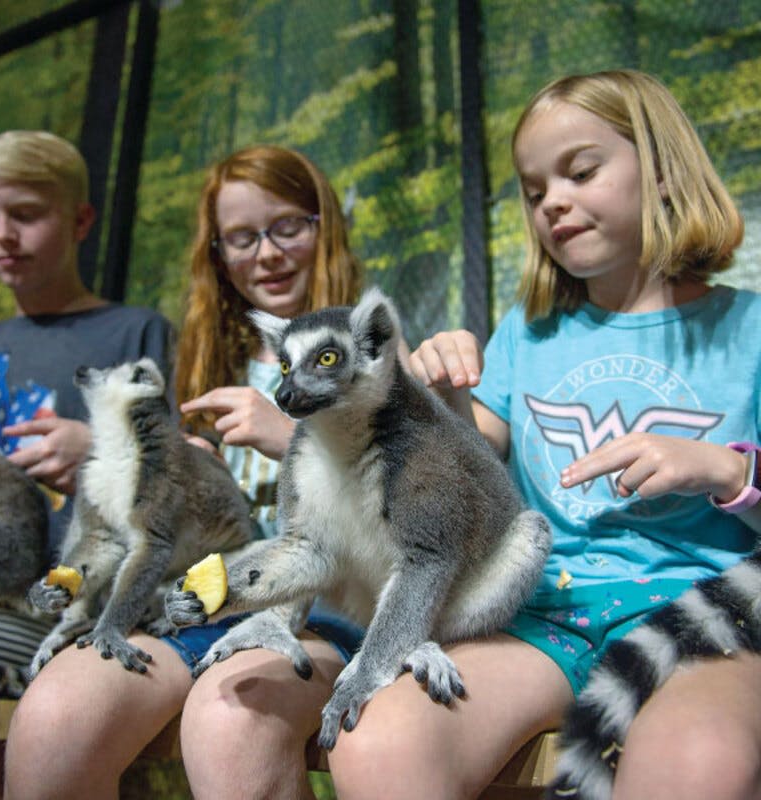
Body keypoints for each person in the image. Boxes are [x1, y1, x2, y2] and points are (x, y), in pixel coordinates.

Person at [325, 70, 761, 800]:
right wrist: (439, 396)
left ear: (661, 170)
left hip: (699, 615)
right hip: (547, 612)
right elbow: (474, 464)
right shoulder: (528, 334)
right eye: (533, 191)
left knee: (697, 761)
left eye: (582, 171)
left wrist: (723, 469)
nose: (552, 201)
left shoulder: (745, 331)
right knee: (381, 738)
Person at [4, 144, 365, 799]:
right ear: (219, 255)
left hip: (324, 611)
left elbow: (412, 506)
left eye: (287, 227)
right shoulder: (201, 365)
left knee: (234, 717)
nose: (268, 252)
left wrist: (289, 436)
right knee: (53, 720)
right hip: (193, 606)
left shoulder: (377, 345)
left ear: (324, 226)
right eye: (242, 238)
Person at [0, 130, 173, 684]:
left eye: (26, 215)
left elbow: (174, 483)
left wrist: (96, 452)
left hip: (63, 602)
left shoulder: (137, 332)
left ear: (81, 221)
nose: (3, 235)